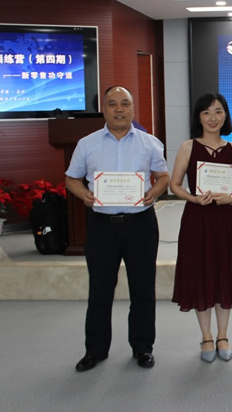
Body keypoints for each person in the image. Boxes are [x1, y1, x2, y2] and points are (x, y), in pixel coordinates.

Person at [65, 86, 169, 372]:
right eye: (113, 104)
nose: (119, 109)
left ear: (133, 108)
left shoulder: (150, 143)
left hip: (141, 225)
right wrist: (84, 194)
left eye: (125, 103)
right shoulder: (87, 144)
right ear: (105, 109)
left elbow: (162, 176)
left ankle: (142, 348)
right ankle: (95, 350)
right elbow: (71, 179)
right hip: (102, 227)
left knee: (143, 290)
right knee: (99, 290)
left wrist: (154, 192)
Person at [170, 93, 232, 363]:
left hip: (225, 219)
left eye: (218, 111)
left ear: (226, 115)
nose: (213, 118)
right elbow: (175, 185)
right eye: (206, 112)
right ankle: (206, 336)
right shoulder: (187, 147)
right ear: (198, 117)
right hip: (197, 218)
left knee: (223, 273)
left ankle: (223, 336)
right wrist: (193, 198)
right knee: (200, 273)